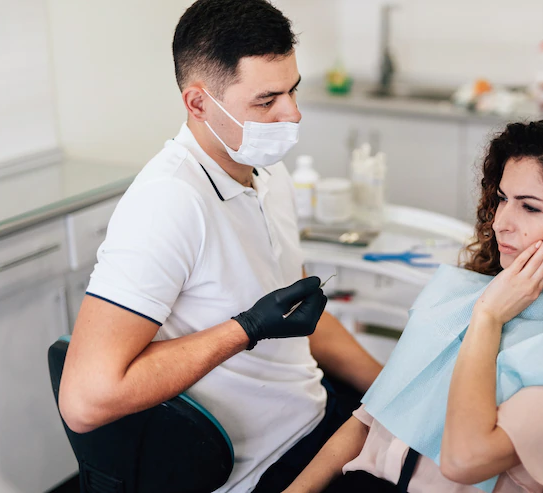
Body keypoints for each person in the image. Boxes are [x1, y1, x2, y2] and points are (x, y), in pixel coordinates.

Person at [57, 1, 382, 491]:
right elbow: (84, 402)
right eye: (266, 100)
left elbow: (297, 315)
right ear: (198, 103)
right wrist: (245, 328)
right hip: (255, 468)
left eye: (293, 90)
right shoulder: (168, 203)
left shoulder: (268, 172)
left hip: (312, 415)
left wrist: (388, 388)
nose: (292, 114)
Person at [283, 120, 543, 493]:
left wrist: (488, 320)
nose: (500, 223)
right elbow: (370, 418)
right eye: (502, 199)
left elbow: (464, 460)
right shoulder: (461, 294)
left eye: (529, 207)